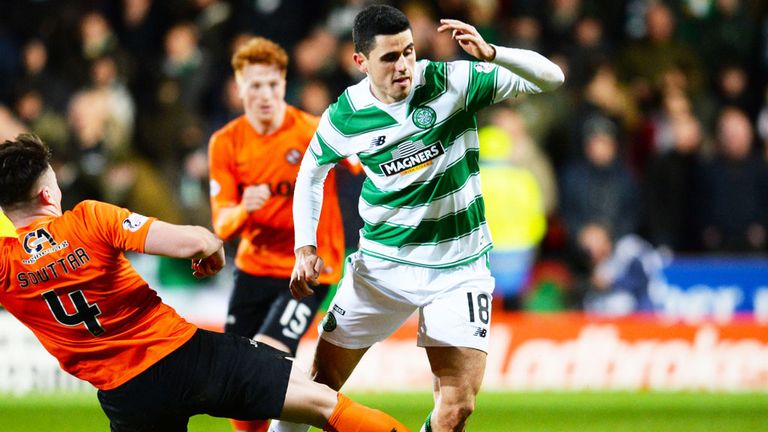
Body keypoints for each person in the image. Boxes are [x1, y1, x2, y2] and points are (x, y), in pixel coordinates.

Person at [272, 5, 564, 432]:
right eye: (389, 57)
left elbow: (552, 78)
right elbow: (311, 174)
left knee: (457, 405)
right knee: (318, 385)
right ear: (361, 62)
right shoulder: (345, 115)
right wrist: (305, 246)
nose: (404, 65)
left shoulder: (451, 81)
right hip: (382, 267)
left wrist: (493, 52)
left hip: (459, 268)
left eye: (408, 51)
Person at [0, 134, 410, 432]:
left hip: (127, 397)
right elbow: (192, 241)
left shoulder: (6, 265)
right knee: (321, 403)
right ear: (47, 195)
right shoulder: (88, 219)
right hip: (186, 357)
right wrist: (209, 247)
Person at [208, 36, 357, 432]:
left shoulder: (313, 131)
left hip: (308, 269)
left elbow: (368, 162)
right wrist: (245, 207)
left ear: (284, 83)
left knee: (267, 356)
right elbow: (221, 224)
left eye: (273, 84)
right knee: (237, 378)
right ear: (238, 88)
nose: (265, 95)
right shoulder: (225, 144)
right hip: (254, 268)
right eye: (255, 86)